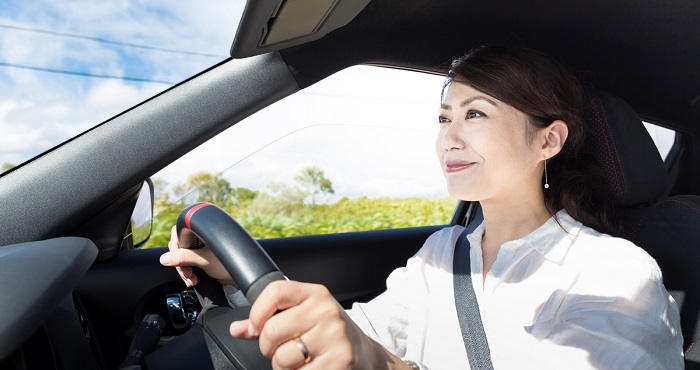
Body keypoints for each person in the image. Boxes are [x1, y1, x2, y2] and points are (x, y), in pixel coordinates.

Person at [159, 44, 684, 369]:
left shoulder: (615, 273)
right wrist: (235, 277)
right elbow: (362, 331)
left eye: (476, 114)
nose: (448, 140)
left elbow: (369, 354)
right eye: (443, 118)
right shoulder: (443, 251)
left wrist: (383, 367)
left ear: (548, 142)